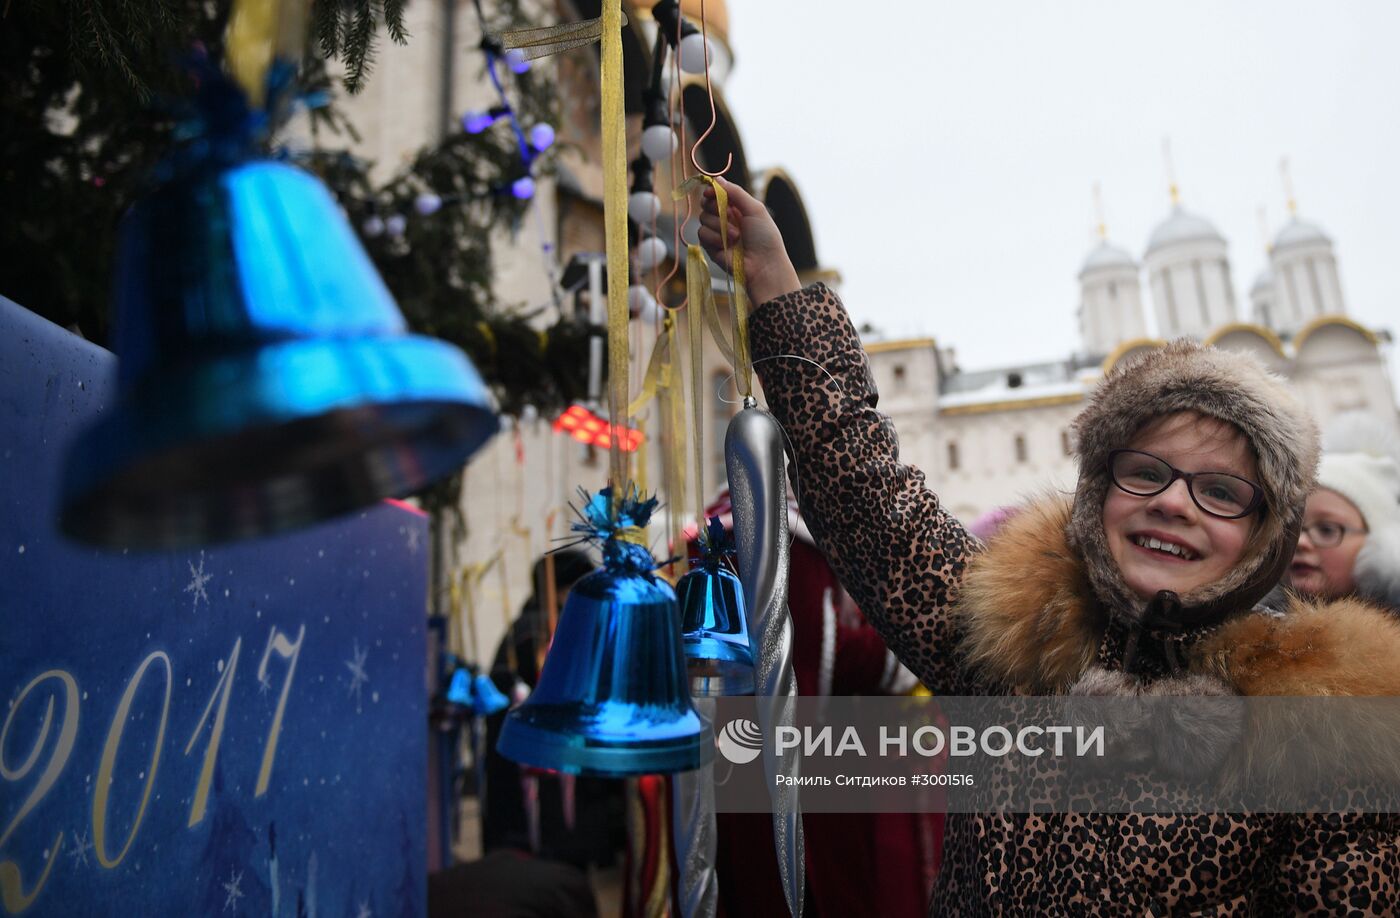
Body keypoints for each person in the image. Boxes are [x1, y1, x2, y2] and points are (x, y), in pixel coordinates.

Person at [696, 176, 1400, 913]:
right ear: (1099, 492)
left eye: (1220, 492)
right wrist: (777, 286)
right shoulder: (1020, 646)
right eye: (1145, 472)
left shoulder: (1320, 724)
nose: (1172, 502)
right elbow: (866, 494)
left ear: (1265, 536)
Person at [1288, 447, 1400, 610]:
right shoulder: (1248, 624)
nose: (1300, 541)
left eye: (1326, 530)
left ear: (1377, 548)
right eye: (1291, 528)